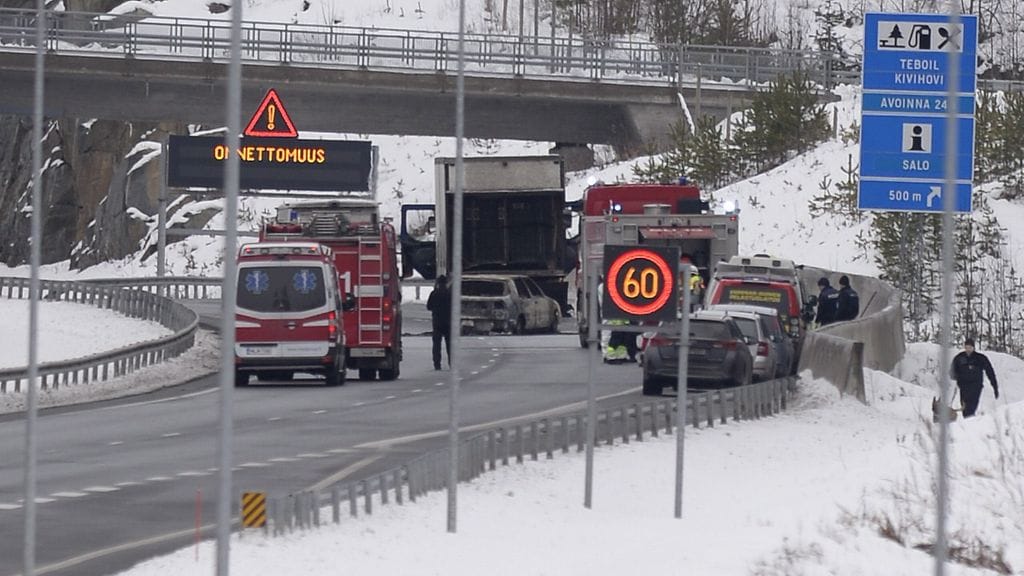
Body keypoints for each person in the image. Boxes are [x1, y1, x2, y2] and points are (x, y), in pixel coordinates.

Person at [950, 337, 999, 418]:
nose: (968, 349)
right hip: (964, 387)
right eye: (966, 347)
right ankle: (968, 425)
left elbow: (990, 372)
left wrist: (995, 387)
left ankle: (970, 424)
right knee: (964, 409)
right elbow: (951, 371)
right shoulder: (959, 358)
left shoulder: (980, 358)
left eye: (970, 347)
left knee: (971, 409)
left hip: (976, 387)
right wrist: (956, 376)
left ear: (973, 347)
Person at [426, 274, 451, 370]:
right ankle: (451, 363)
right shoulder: (449, 294)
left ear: (437, 283)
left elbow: (429, 306)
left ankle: (437, 364)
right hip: (448, 321)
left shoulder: (434, 293)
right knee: (449, 344)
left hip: (437, 322)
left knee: (436, 344)